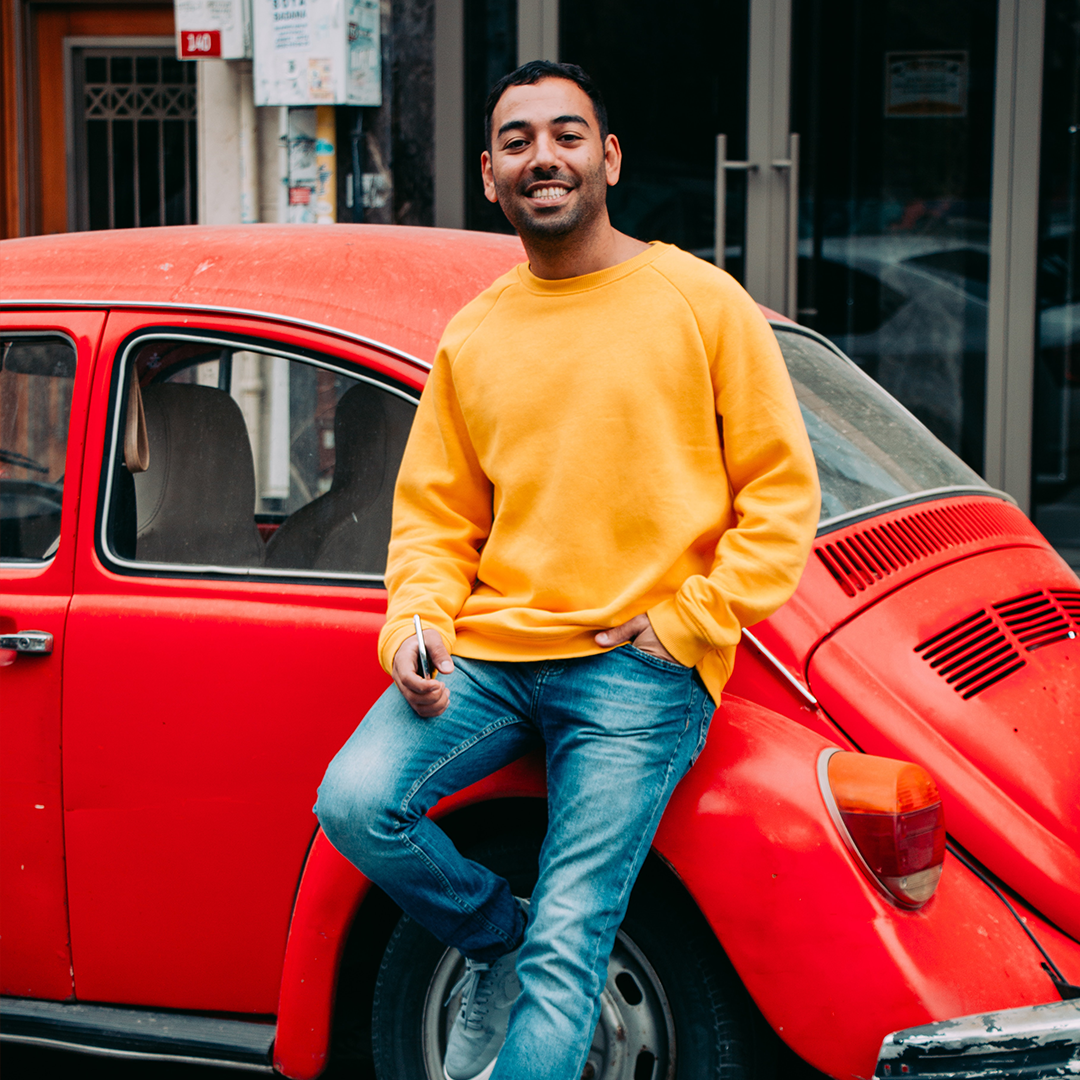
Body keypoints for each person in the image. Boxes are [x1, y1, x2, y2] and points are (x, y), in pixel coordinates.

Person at [315, 60, 820, 1080]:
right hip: (493, 658)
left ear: (609, 158)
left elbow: (781, 499)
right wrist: (416, 624)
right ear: (492, 178)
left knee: (574, 940)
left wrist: (691, 621)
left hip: (638, 670)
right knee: (356, 804)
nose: (543, 156)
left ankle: (528, 951)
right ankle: (494, 937)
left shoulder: (700, 301)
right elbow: (434, 519)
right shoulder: (477, 334)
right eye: (517, 142)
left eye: (567, 134)